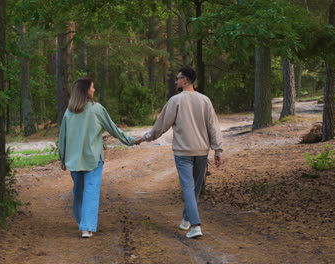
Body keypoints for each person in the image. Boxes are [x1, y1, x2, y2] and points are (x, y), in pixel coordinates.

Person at [136, 66, 223, 238]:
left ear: (185, 80)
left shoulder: (175, 101)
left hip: (183, 153)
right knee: (194, 188)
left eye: (177, 78)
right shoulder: (205, 100)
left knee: (189, 188)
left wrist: (145, 137)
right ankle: (186, 220)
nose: (175, 81)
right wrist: (217, 150)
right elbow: (214, 126)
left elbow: (161, 125)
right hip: (201, 151)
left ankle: (196, 226)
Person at [58, 77, 137, 238]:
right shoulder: (96, 109)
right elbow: (113, 129)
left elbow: (62, 138)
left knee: (79, 191)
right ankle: (86, 227)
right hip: (92, 158)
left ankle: (83, 223)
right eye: (92, 87)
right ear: (86, 91)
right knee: (90, 191)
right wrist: (131, 141)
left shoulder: (69, 111)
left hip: (73, 159)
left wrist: (62, 158)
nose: (94, 90)